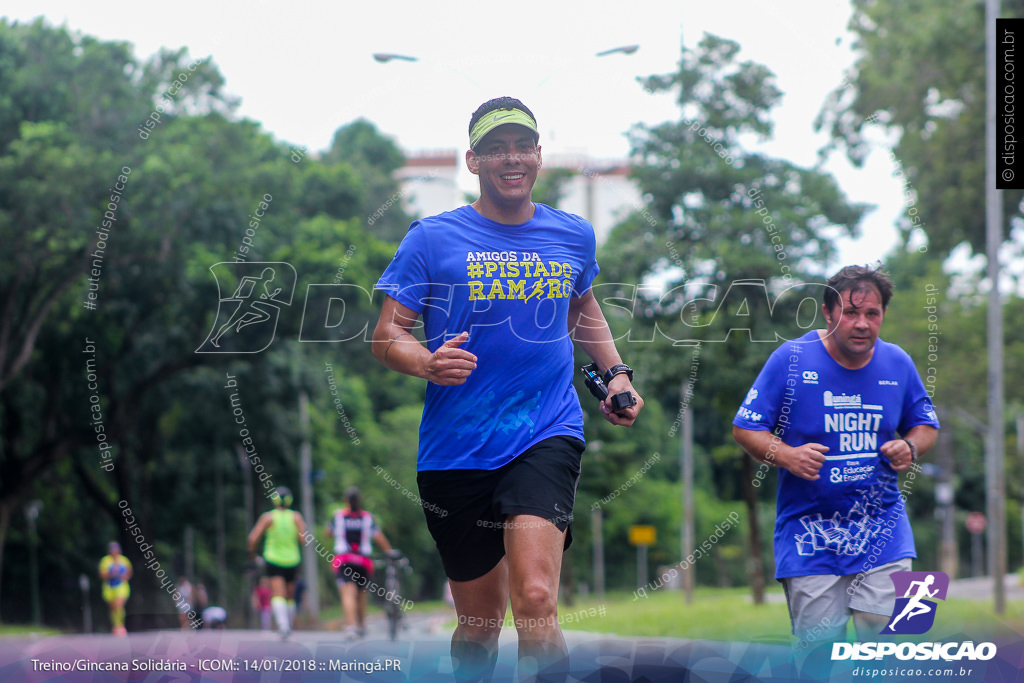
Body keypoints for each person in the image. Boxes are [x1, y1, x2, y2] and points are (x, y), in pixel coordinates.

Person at [372, 96, 642, 681]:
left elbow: (583, 304)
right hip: (456, 448)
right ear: (473, 161)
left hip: (545, 431)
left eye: (522, 146)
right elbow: (387, 335)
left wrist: (615, 374)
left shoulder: (572, 236)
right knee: (479, 625)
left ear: (539, 156)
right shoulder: (431, 239)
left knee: (537, 598)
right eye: (496, 148)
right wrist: (426, 362)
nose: (511, 158)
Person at [732, 264, 939, 652]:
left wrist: (910, 446)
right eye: (850, 312)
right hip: (810, 538)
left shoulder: (897, 363)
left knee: (892, 639)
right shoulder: (791, 359)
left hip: (883, 529)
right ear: (828, 313)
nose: (862, 323)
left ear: (883, 316)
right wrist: (786, 455)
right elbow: (745, 428)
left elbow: (926, 426)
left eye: (872, 313)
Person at [326, 486, 396, 640]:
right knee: (362, 594)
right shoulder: (368, 517)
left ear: (346, 501)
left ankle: (351, 627)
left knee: (348, 593)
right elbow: (379, 538)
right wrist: (390, 552)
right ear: (360, 500)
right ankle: (362, 625)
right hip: (363, 562)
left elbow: (328, 532)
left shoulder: (337, 516)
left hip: (344, 560)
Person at [247, 486, 306, 638]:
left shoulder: (268, 517)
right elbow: (303, 539)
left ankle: (283, 625)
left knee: (278, 593)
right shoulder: (296, 517)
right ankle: (289, 624)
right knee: (290, 595)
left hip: (273, 559)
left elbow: (252, 538)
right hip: (292, 559)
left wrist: (253, 555)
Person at [98, 541, 132, 636]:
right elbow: (102, 574)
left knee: (119, 605)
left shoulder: (124, 560)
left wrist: (124, 576)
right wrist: (111, 574)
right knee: (113, 608)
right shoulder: (105, 561)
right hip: (109, 587)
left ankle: (120, 626)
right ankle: (115, 625)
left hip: (121, 586)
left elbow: (129, 571)